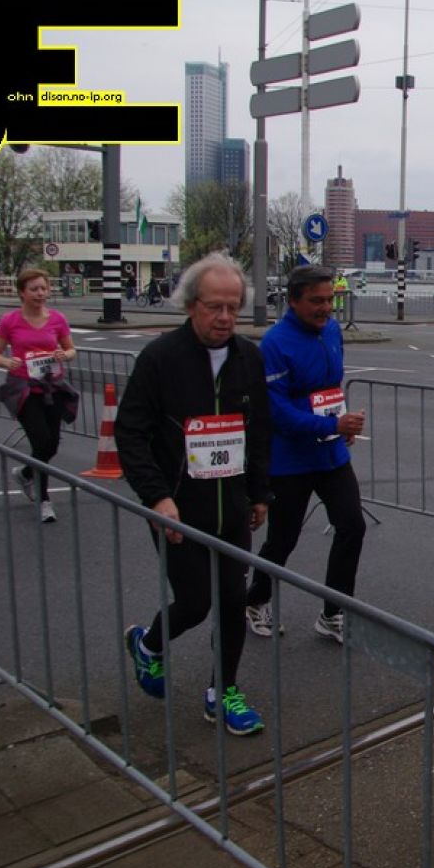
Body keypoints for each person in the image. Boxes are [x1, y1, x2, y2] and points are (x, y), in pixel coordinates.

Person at [116, 252, 272, 736]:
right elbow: (130, 433)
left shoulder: (249, 357)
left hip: (232, 507)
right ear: (190, 306)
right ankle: (149, 644)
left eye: (233, 308)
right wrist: (156, 497)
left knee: (232, 601)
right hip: (178, 509)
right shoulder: (160, 358)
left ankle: (222, 691)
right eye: (214, 307)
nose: (225, 318)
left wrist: (259, 493)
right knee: (195, 602)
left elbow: (257, 431)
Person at [244, 265, 367, 643]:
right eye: (316, 301)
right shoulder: (275, 344)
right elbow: (278, 413)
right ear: (293, 301)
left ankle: (333, 611)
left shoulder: (331, 330)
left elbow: (330, 387)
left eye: (330, 299)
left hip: (330, 454)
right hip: (291, 460)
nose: (326, 308)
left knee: (352, 526)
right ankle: (256, 600)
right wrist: (332, 425)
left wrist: (339, 424)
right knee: (283, 539)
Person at [0, 268, 78, 524]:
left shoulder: (57, 319)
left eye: (43, 288)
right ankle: (44, 500)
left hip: (51, 387)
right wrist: (8, 362)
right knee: (41, 441)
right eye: (34, 289)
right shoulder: (10, 321)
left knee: (52, 443)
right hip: (24, 389)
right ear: (22, 293)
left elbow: (71, 349)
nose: (40, 293)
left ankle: (26, 473)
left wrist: (64, 355)